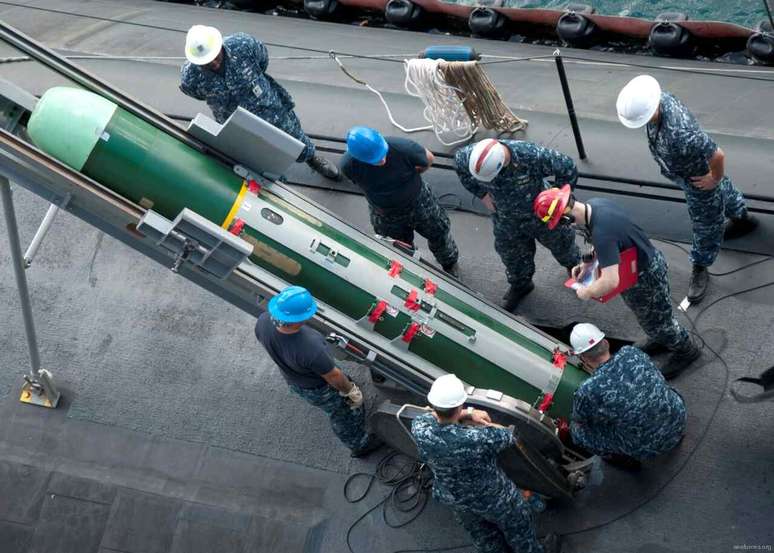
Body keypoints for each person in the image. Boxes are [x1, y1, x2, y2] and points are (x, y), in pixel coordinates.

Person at [616, 75, 757, 304]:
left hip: (697, 180)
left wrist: (713, 178)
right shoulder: (659, 100)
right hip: (686, 171)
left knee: (705, 223)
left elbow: (717, 154)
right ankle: (741, 215)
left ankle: (701, 264)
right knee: (724, 189)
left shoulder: (680, 134)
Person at [533, 186, 700, 378]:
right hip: (636, 265)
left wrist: (586, 292)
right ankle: (659, 337)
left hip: (644, 277)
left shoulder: (602, 233)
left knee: (659, 321)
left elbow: (611, 281)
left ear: (565, 217)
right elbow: (610, 244)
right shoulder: (596, 206)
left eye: (560, 223)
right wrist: (585, 265)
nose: (564, 227)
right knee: (649, 318)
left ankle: (685, 349)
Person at [411, 374, 560, 553]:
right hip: (494, 499)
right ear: (459, 405)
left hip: (454, 499)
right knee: (519, 532)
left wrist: (466, 413)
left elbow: (430, 415)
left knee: (485, 539)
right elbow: (508, 435)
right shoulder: (477, 438)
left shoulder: (419, 427)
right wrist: (473, 415)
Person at [180, 25, 340, 180]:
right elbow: (194, 92)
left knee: (292, 134)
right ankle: (275, 180)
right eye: (207, 62)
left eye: (215, 57)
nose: (214, 63)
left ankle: (311, 158)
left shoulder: (243, 45)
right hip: (234, 120)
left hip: (268, 108)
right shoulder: (190, 76)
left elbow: (263, 60)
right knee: (253, 153)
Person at [254, 286, 382, 457]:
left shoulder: (263, 322)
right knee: (343, 412)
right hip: (318, 388)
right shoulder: (310, 347)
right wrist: (349, 391)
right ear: (299, 319)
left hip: (294, 378)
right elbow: (334, 376)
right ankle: (359, 444)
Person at [455, 138, 580, 311]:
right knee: (512, 255)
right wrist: (482, 193)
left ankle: (575, 270)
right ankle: (521, 284)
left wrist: (556, 200)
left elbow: (568, 167)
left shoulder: (528, 155)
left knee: (563, 245)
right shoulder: (467, 157)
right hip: (506, 218)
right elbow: (462, 170)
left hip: (541, 215)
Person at [340, 127, 460, 277]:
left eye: (383, 154)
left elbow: (428, 158)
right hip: (385, 214)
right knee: (398, 248)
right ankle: (410, 272)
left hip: (419, 203)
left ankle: (449, 264)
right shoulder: (348, 165)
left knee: (439, 233)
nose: (382, 160)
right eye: (376, 160)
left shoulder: (401, 147)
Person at [568, 323, 687, 468]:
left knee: (577, 432)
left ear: (583, 358)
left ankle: (622, 460)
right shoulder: (631, 352)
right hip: (679, 417)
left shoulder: (588, 390)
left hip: (649, 448)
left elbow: (579, 418)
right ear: (606, 342)